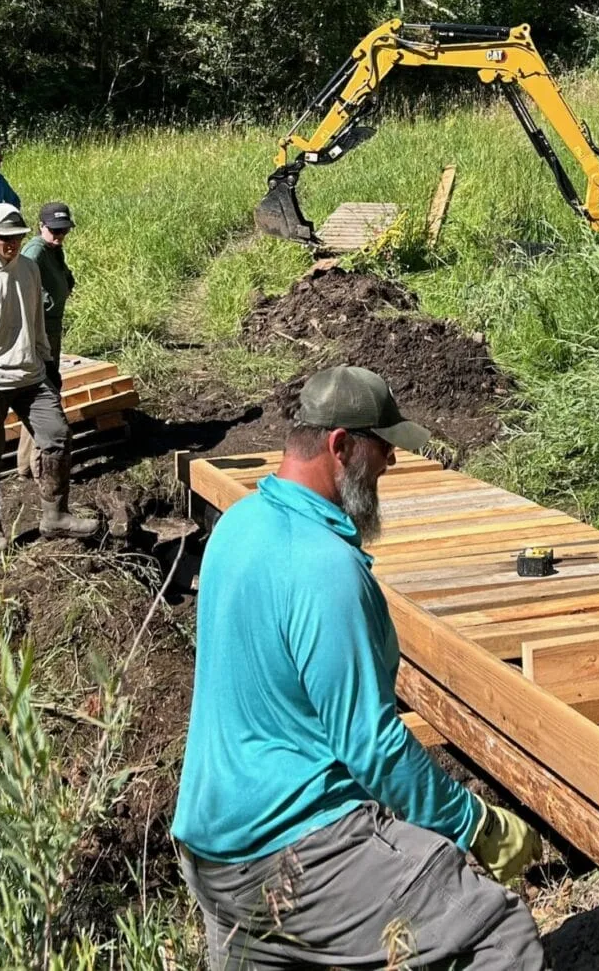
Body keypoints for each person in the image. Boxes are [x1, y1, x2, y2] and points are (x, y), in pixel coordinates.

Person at [174, 366, 546, 969]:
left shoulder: (239, 525)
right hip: (295, 852)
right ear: (340, 446)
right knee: (498, 934)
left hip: (212, 850)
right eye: (383, 448)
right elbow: (371, 745)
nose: (392, 465)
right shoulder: (325, 568)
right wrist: (474, 822)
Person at [0, 202, 95, 556]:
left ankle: (55, 515)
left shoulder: (28, 269)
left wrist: (47, 360)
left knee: (57, 436)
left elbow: (36, 320)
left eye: (16, 238)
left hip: (31, 374)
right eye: (4, 238)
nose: (10, 244)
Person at [20, 200, 75, 387]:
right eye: (55, 231)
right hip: (42, 323)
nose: (60, 236)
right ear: (41, 226)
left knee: (53, 372)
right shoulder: (35, 250)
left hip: (53, 322)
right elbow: (20, 280)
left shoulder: (54, 248)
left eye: (64, 231)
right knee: (45, 375)